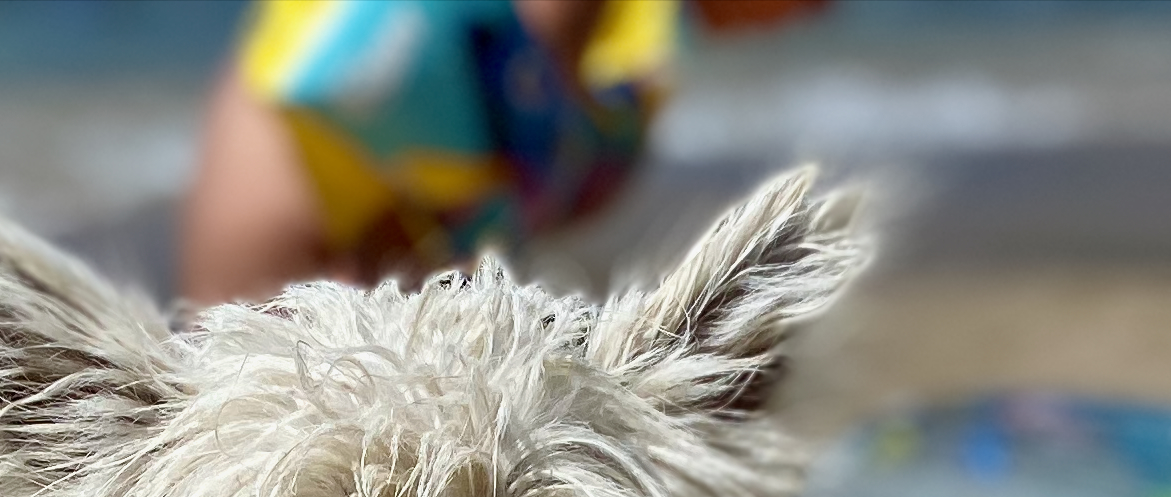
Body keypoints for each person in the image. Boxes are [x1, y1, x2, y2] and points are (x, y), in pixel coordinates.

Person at [181, 0, 825, 307]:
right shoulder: (600, 42)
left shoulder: (625, 35)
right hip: (300, 215)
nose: (816, 15)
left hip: (329, 209)